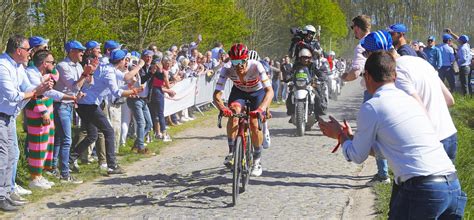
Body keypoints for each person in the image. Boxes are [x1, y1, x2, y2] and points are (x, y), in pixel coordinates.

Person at [318, 50, 467, 219]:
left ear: (367, 77)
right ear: (394, 76)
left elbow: (356, 156)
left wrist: (340, 135)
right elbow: (388, 150)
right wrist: (353, 139)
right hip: (452, 186)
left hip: (423, 190)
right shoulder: (411, 101)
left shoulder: (372, 106)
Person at [0, 35, 53, 211]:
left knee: (13, 154)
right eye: (28, 50)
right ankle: (1, 196)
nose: (30, 53)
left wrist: (42, 87)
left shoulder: (18, 67)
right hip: (1, 116)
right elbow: (13, 95)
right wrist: (37, 91)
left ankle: (7, 192)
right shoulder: (3, 66)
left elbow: (28, 88)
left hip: (9, 117)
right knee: (3, 156)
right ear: (18, 50)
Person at [73, 49, 144, 175]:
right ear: (121, 61)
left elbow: (126, 77)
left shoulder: (107, 67)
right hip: (89, 104)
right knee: (109, 131)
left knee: (92, 135)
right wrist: (134, 91)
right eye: (125, 60)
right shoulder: (110, 72)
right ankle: (112, 165)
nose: (126, 63)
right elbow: (116, 93)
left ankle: (70, 159)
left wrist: (138, 68)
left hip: (86, 103)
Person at [341, 15, 390, 186]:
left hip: (373, 89)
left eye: (352, 27)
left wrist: (344, 78)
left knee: (374, 132)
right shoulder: (381, 38)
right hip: (389, 85)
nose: (352, 31)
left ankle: (383, 174)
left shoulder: (363, 45)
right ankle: (387, 171)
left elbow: (355, 72)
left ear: (357, 28)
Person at [213, 43, 274, 177]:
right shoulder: (227, 68)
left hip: (257, 93)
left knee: (253, 123)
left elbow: (269, 91)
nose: (238, 65)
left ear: (246, 59)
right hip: (239, 92)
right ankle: (231, 152)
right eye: (235, 61)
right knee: (233, 114)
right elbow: (216, 94)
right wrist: (223, 108)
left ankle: (257, 160)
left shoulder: (256, 66)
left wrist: (261, 109)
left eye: (241, 61)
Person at [25, 50, 81, 188]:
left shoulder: (41, 74)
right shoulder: (31, 73)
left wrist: (71, 97)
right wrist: (43, 111)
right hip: (37, 114)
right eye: (52, 62)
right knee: (37, 145)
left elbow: (50, 92)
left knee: (45, 145)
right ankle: (34, 178)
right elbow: (34, 94)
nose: (54, 64)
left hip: (45, 112)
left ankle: (40, 175)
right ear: (45, 63)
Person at [53, 40, 95, 180]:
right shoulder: (62, 66)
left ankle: (55, 168)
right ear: (71, 52)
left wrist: (90, 73)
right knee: (66, 139)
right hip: (61, 105)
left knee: (60, 138)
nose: (82, 52)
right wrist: (84, 75)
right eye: (79, 50)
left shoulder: (78, 66)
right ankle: (65, 173)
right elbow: (74, 87)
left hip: (70, 104)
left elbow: (87, 84)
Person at [446, 29, 472, 96]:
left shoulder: (463, 48)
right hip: (468, 66)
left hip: (464, 67)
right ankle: (469, 96)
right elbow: (457, 38)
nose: (458, 40)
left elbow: (463, 59)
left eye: (460, 39)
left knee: (464, 84)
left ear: (461, 41)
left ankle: (466, 98)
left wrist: (457, 60)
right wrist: (451, 33)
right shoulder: (467, 45)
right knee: (467, 83)